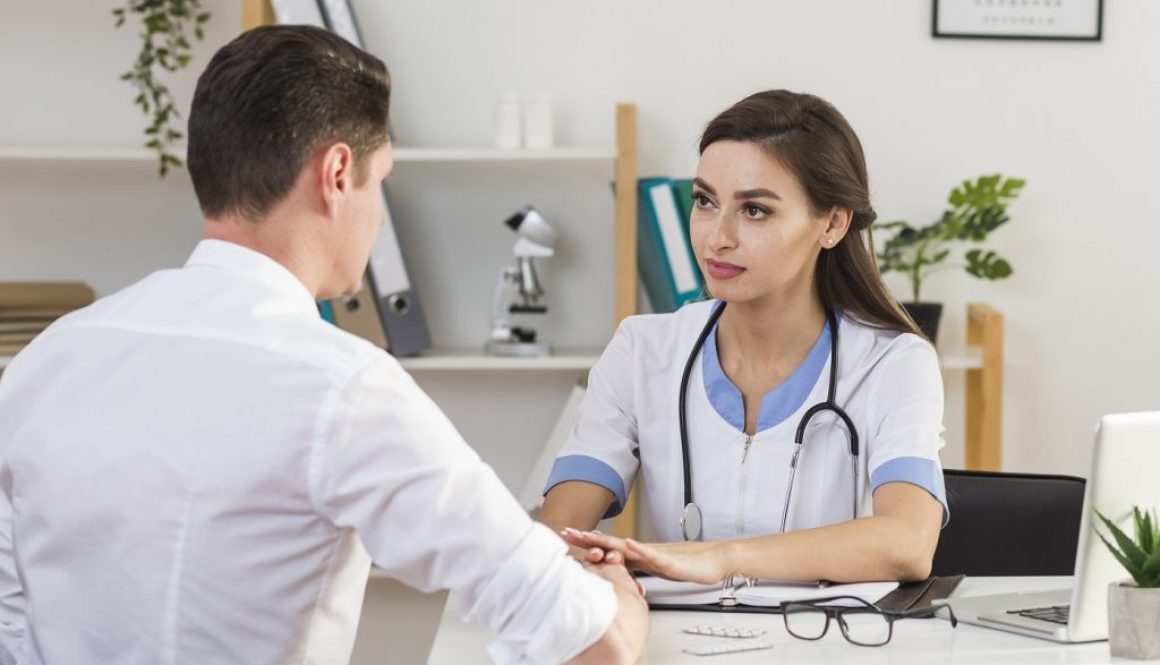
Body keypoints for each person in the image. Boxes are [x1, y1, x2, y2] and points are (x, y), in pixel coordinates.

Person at [0, 25, 647, 665]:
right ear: (337, 173)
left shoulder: (48, 358)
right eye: (380, 181)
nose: (376, 214)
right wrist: (622, 597)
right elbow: (593, 640)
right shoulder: (343, 385)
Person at [540, 90, 948, 586]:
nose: (717, 237)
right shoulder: (643, 350)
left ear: (833, 224)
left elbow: (907, 544)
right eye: (705, 201)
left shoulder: (893, 363)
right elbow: (559, 533)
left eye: (754, 210)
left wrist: (722, 557)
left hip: (826, 644)